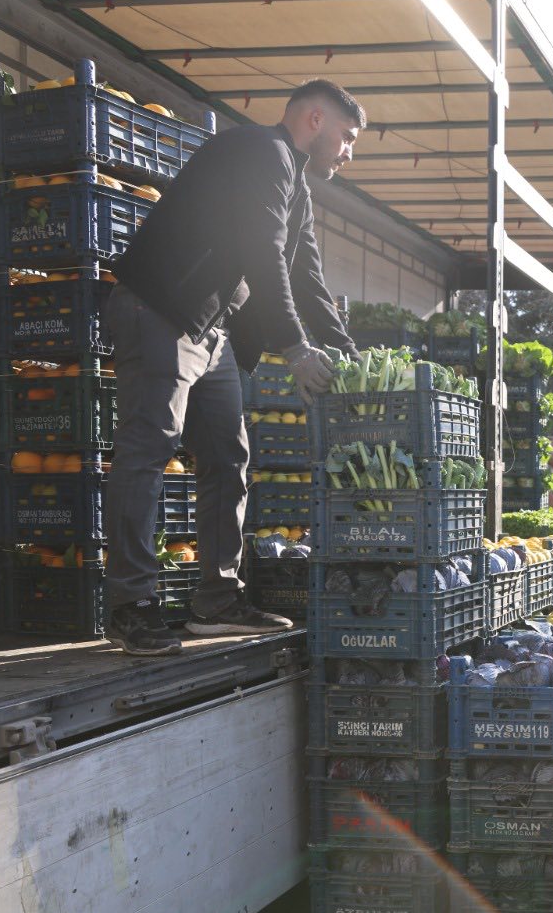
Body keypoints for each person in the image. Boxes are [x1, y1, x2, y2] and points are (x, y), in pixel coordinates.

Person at [102, 79, 363, 655]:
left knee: (228, 456)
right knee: (149, 448)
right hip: (159, 310)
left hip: (208, 328)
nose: (349, 153)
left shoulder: (295, 183)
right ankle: (131, 605)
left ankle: (217, 601)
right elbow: (262, 254)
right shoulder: (259, 153)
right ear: (315, 120)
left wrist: (350, 352)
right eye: (347, 137)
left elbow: (306, 276)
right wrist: (295, 349)